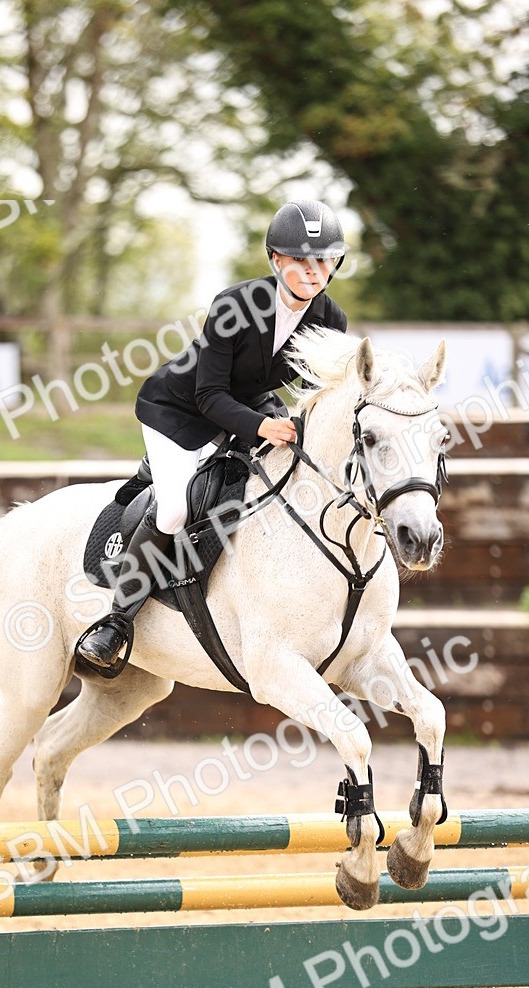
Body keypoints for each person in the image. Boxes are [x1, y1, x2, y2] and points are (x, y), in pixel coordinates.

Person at [76, 198, 349, 671]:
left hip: (248, 407)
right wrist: (264, 426)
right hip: (179, 411)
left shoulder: (330, 319)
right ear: (276, 260)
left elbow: (315, 393)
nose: (312, 270)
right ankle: (117, 620)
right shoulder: (235, 305)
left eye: (323, 260)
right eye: (300, 260)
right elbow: (208, 396)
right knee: (177, 507)